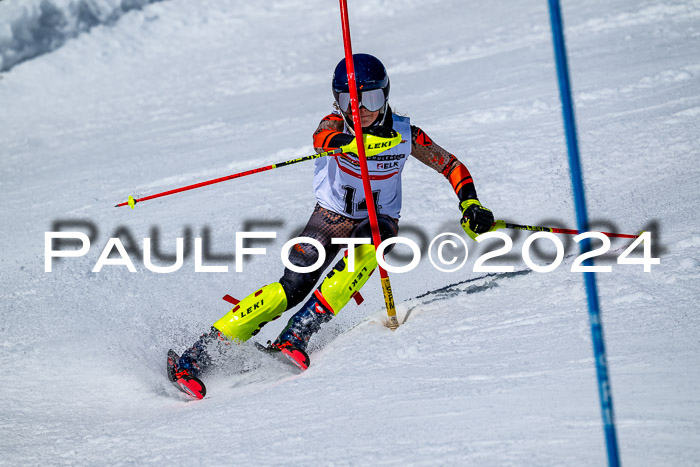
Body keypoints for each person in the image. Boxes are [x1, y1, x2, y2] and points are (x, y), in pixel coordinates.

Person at [168, 53, 495, 395]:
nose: (362, 110)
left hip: (377, 219)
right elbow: (322, 139)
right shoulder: (337, 125)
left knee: (375, 244)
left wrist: (470, 201)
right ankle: (195, 357)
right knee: (291, 287)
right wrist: (351, 143)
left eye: (371, 98)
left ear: (386, 95)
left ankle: (298, 333)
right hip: (331, 218)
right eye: (350, 101)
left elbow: (451, 165)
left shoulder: (406, 134)